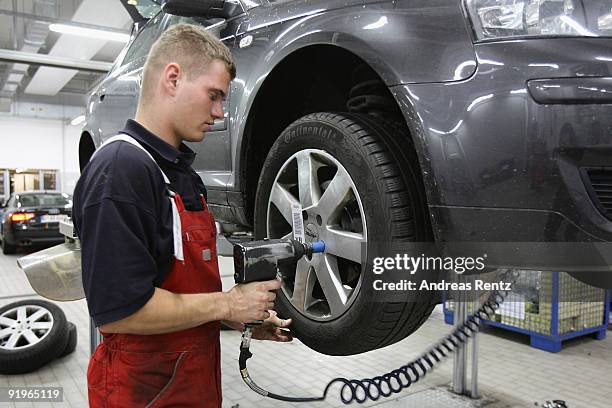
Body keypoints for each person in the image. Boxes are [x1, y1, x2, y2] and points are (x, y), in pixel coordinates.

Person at [73, 23, 291, 408]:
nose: (220, 113)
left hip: (190, 383)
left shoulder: (182, 176)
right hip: (141, 391)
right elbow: (118, 313)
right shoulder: (120, 170)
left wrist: (238, 318)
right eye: (214, 95)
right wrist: (226, 304)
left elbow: (181, 293)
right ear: (173, 79)